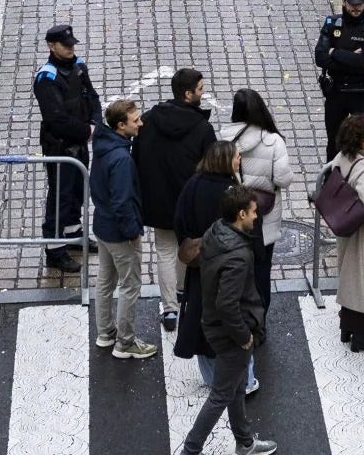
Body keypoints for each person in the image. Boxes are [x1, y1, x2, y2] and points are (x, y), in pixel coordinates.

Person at [177, 185, 278, 455]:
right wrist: (244, 336)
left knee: (235, 388)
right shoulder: (239, 256)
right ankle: (191, 448)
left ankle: (244, 441)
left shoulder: (217, 230)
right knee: (222, 394)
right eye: (254, 212)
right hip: (231, 333)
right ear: (241, 214)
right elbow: (227, 304)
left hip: (214, 325)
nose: (257, 217)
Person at [135, 67, 218, 331]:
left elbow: (138, 157)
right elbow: (211, 167)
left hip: (158, 200)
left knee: (164, 251)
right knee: (189, 245)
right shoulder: (203, 129)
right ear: (187, 94)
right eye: (201, 89)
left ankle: (169, 307)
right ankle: (183, 292)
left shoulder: (149, 120)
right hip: (189, 202)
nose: (203, 94)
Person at [173, 141, 254, 393]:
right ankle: (245, 381)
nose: (240, 161)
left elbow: (179, 222)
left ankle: (212, 379)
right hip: (227, 265)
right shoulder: (232, 193)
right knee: (236, 320)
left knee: (201, 320)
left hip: (200, 268)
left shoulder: (193, 185)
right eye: (237, 157)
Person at [90, 98, 159, 359]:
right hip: (120, 232)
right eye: (136, 120)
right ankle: (125, 342)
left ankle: (105, 332)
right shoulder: (122, 159)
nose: (140, 123)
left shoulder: (104, 146)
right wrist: (132, 231)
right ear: (121, 125)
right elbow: (122, 201)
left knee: (105, 281)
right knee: (130, 285)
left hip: (102, 225)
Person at [33, 25, 101, 274]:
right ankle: (55, 250)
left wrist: (95, 122)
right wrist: (88, 132)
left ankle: (74, 235)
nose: (71, 48)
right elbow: (56, 119)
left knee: (76, 192)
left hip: (79, 143)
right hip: (60, 147)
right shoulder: (47, 78)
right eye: (65, 45)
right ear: (52, 46)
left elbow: (92, 97)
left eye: (72, 44)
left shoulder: (78, 66)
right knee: (60, 197)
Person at [327, 111, 364, 353]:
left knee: (350, 280)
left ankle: (347, 328)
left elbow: (326, 176)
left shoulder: (343, 157)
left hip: (348, 227)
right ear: (358, 139)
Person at [227, 89, 293, 305]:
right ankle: (259, 318)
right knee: (262, 269)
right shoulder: (273, 141)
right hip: (265, 218)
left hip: (235, 216)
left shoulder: (225, 139)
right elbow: (283, 179)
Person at [316, 0, 364, 159]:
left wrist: (335, 53)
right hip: (336, 92)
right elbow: (320, 57)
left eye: (359, 4)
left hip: (361, 92)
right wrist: (351, 57)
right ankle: (333, 179)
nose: (356, 8)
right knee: (334, 141)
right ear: (344, 3)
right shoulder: (332, 23)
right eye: (352, 4)